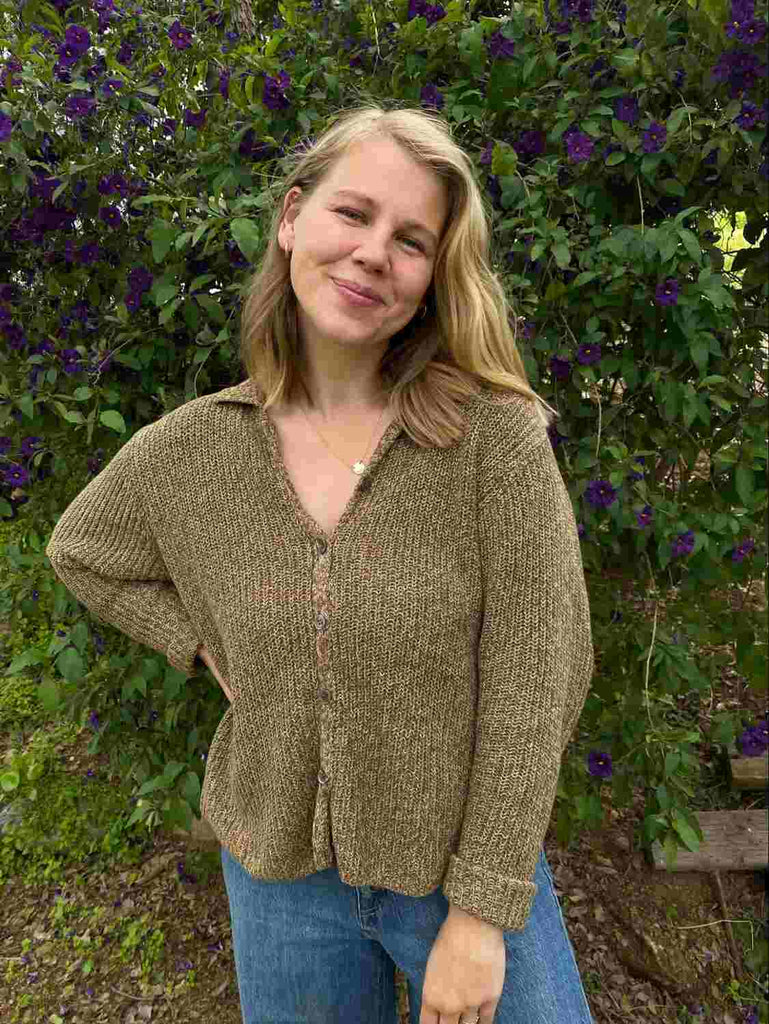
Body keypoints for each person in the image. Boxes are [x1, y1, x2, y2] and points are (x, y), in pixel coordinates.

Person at [45, 103, 596, 1024]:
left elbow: (538, 673)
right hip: (277, 880)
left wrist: (479, 912)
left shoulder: (490, 438)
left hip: (458, 873)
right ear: (292, 218)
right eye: (353, 213)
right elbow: (82, 550)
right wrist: (194, 641)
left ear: (429, 281)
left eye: (412, 240)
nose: (375, 252)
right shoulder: (191, 450)